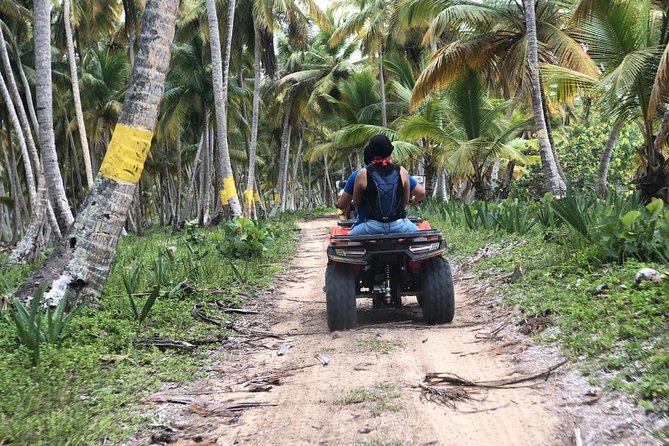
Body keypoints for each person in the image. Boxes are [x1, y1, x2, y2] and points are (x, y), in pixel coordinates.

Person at [337, 143, 425, 227]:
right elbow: (420, 193)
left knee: (347, 240)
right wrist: (413, 200)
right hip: (397, 224)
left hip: (367, 225)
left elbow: (343, 205)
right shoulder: (398, 172)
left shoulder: (359, 174)